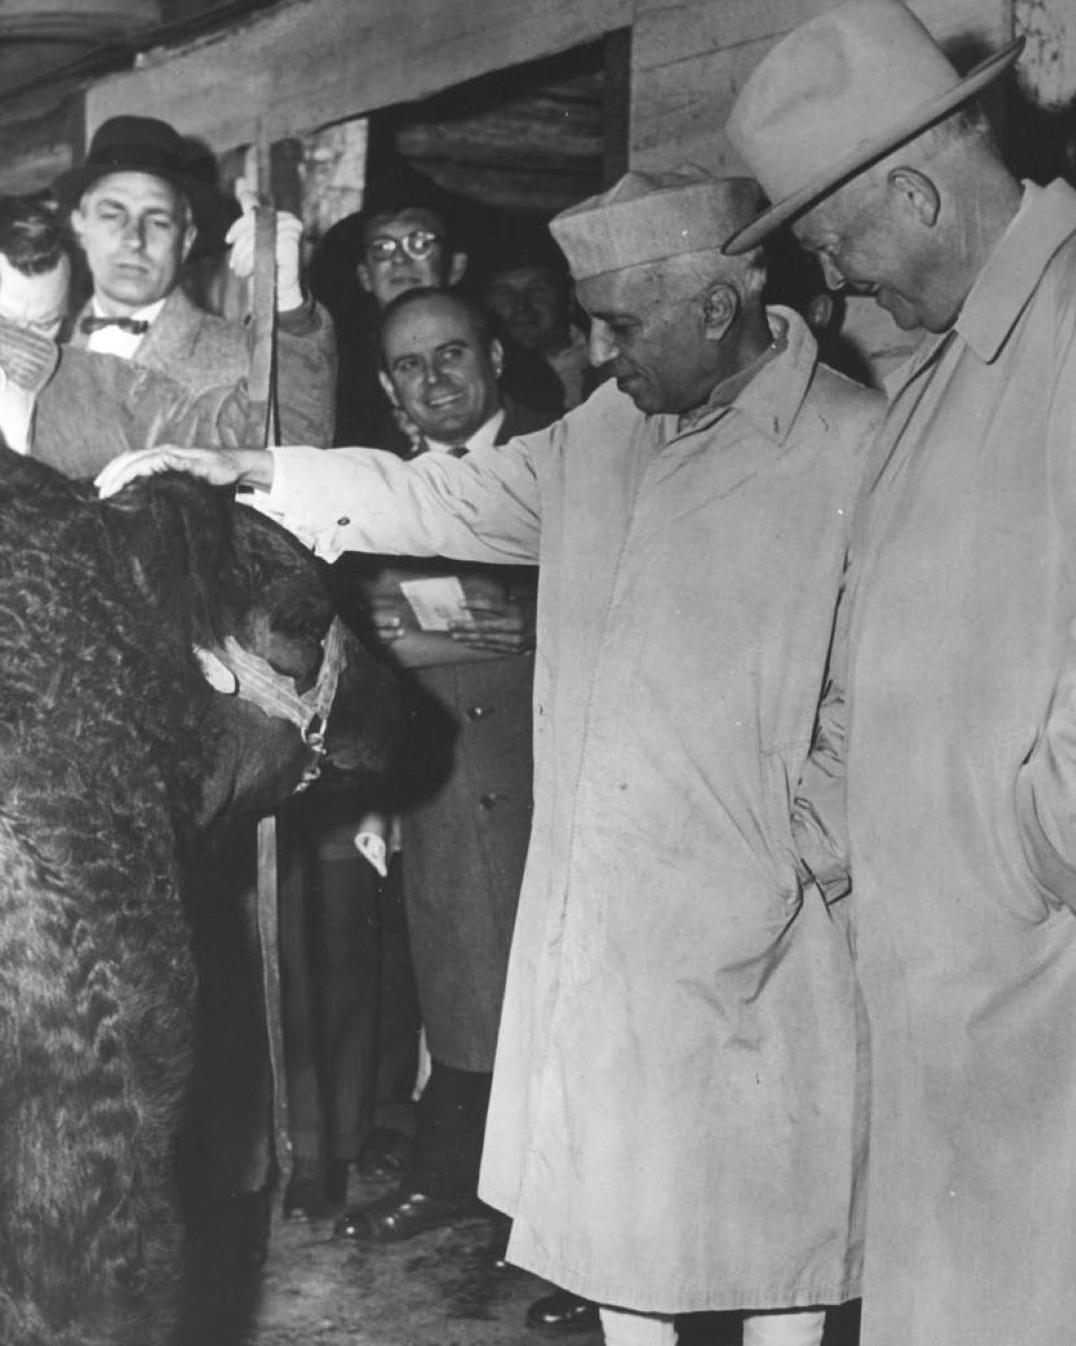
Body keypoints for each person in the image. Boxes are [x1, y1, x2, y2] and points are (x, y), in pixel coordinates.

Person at [96, 167, 880, 1346]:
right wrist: (249, 472)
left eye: (619, 324)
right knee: (615, 1215)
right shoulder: (615, 428)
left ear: (714, 308)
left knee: (777, 1222)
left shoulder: (852, 446)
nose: (595, 351)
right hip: (608, 910)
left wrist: (798, 853)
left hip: (767, 909)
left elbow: (884, 695)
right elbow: (446, 499)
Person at [723, 4, 1076, 1345]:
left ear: (916, 189)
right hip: (953, 986)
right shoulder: (947, 374)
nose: (839, 288)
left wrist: (1024, 852)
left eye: (835, 247)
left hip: (1037, 981)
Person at [331, 286, 551, 1242]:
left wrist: (438, 626)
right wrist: (463, 631)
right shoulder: (374, 489)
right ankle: (452, 1176)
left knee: (564, 1004)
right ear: (388, 387)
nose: (436, 380)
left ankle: (552, 1219)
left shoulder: (570, 449)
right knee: (461, 991)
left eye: (453, 354)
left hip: (556, 772)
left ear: (495, 354)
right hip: (447, 782)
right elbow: (360, 633)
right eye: (411, 367)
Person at [52, 114, 336, 447]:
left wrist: (287, 300)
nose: (133, 239)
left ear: (186, 239)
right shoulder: (44, 344)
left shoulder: (243, 357)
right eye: (113, 214)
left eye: (157, 220)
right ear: (79, 226)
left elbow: (301, 452)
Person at [0, 195, 268, 470]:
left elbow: (227, 439)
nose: (25, 344)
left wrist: (283, 305)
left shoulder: (107, 386)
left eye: (44, 325)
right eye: (4, 324)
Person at [310, 166, 563, 449]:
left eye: (419, 243)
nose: (400, 260)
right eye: (382, 248)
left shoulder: (521, 370)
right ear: (365, 276)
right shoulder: (337, 368)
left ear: (455, 267)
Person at [480, 221, 596, 409]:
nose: (521, 307)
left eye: (537, 290)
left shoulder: (605, 357)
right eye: (504, 294)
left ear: (569, 297)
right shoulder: (486, 379)